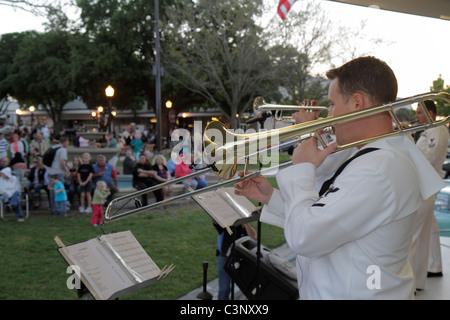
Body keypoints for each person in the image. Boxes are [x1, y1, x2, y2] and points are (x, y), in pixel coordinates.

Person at [234, 56, 444, 299]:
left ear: (357, 103)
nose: (329, 114)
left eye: (332, 104)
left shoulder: (378, 169)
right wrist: (271, 197)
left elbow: (306, 236)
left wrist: (302, 168)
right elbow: (331, 219)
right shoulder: (376, 156)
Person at [409, 99, 449, 290]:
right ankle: (430, 270)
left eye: (419, 112)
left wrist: (407, 146)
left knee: (416, 236)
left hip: (426, 186)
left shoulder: (438, 130)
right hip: (421, 185)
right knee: (427, 233)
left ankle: (412, 281)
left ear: (430, 113)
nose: (416, 116)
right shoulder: (427, 130)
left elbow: (432, 158)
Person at [213, 222, 256, 300]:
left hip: (240, 260)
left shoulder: (243, 224)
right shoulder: (226, 223)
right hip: (224, 258)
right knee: (224, 289)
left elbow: (253, 237)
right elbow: (215, 222)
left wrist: (245, 222)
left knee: (248, 287)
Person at [46, 136, 69, 215]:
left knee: (52, 191)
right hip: (58, 172)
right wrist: (66, 170)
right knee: (60, 192)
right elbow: (62, 162)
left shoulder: (53, 147)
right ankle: (60, 209)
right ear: (65, 142)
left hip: (50, 172)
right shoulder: (62, 150)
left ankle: (54, 209)